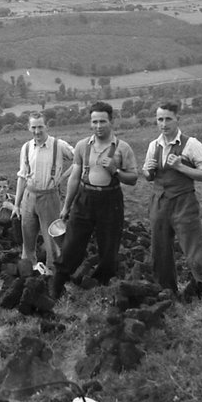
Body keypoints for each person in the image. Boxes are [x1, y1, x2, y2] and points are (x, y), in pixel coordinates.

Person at [53, 102, 139, 297]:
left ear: (111, 121)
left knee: (109, 249)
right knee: (71, 245)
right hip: (85, 199)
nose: (98, 126)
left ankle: (100, 287)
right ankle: (56, 287)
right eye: (94, 122)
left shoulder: (122, 148)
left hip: (111, 201)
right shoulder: (83, 146)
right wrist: (66, 206)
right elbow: (74, 177)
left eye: (102, 121)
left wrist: (115, 170)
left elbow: (133, 178)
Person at [142, 101, 202, 299]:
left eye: (168, 118)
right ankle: (167, 293)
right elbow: (147, 175)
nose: (164, 123)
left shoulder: (191, 144)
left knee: (194, 254)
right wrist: (148, 171)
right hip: (159, 203)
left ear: (178, 119)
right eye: (160, 119)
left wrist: (181, 167)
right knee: (160, 252)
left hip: (184, 203)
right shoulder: (154, 145)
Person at [13, 112, 74, 276]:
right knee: (27, 235)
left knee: (52, 239)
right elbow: (21, 176)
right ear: (29, 127)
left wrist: (64, 176)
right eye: (33, 127)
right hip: (29, 195)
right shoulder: (26, 147)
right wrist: (17, 205)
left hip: (49, 196)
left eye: (40, 126)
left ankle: (53, 275)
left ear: (46, 126)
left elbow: (79, 161)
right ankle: (29, 271)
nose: (37, 131)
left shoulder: (58, 145)